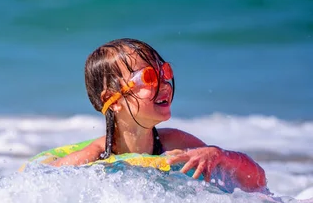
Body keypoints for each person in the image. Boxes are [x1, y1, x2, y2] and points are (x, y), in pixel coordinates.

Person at [48, 38, 267, 192]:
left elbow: (256, 181)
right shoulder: (93, 158)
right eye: (149, 77)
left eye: (164, 73)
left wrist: (218, 154)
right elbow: (40, 180)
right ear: (110, 100)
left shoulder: (175, 143)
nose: (164, 85)